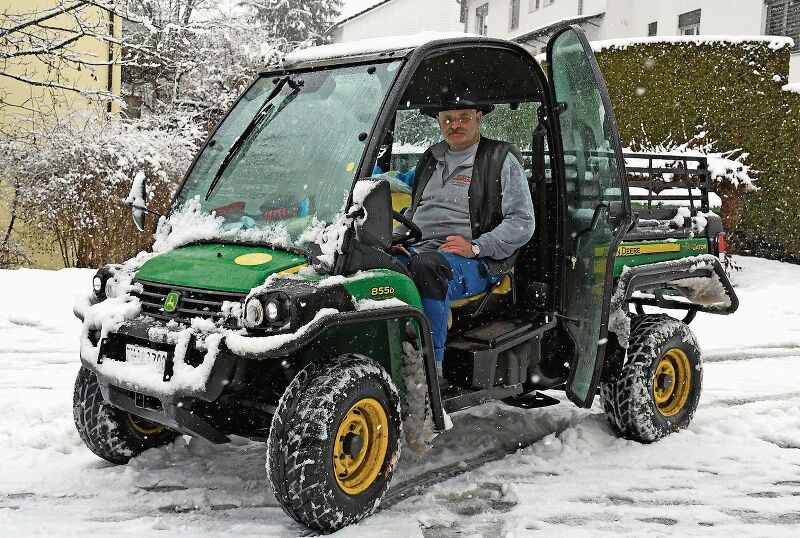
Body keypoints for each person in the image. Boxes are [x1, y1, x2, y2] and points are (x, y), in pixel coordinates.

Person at [392, 81, 535, 383]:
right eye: (448, 119)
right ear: (439, 122)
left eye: (463, 118)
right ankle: (387, 358)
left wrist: (477, 247)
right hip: (421, 249)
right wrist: (395, 240)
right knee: (375, 266)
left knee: (427, 267)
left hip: (475, 261)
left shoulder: (499, 160)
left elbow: (522, 222)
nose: (454, 125)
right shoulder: (430, 159)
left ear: (479, 118)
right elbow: (414, 211)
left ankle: (431, 373)